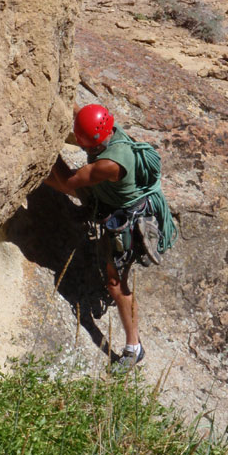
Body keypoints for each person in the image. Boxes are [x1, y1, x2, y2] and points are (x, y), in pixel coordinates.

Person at [45, 103, 176, 369]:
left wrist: (43, 150)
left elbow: (68, 182)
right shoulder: (106, 128)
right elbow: (78, 111)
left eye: (80, 140)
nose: (78, 142)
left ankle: (133, 347)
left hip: (124, 217)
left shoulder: (109, 164)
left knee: (116, 284)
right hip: (110, 198)